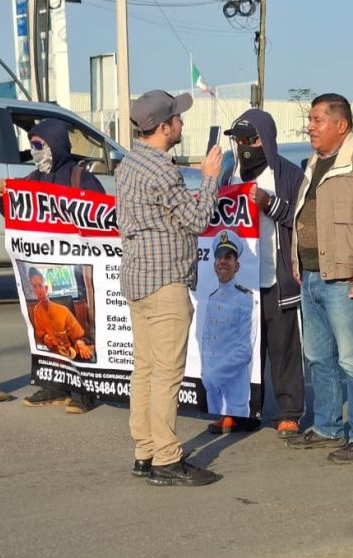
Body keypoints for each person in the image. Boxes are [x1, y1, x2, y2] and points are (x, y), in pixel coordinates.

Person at [116, 89, 222, 487]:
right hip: (164, 282)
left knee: (144, 368)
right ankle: (166, 457)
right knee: (165, 373)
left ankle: (145, 450)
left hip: (139, 277)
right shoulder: (161, 168)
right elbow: (197, 219)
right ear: (163, 127)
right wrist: (210, 180)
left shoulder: (129, 163)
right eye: (176, 118)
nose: (181, 123)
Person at [287, 93, 353, 463]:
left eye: (318, 120)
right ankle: (327, 427)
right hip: (312, 275)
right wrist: (296, 259)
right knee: (318, 357)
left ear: (341, 125)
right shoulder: (316, 161)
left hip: (345, 277)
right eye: (311, 119)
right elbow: (306, 214)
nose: (310, 127)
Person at [0, 118, 105, 414]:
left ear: (55, 144)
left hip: (77, 270)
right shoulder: (31, 180)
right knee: (48, 331)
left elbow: (102, 217)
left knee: (82, 330)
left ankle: (86, 389)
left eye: (39, 145)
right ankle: (56, 384)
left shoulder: (80, 178)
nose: (34, 151)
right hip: (44, 268)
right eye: (31, 145)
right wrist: (3, 196)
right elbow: (15, 214)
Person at [222, 109, 305, 439]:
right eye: (239, 139)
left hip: (275, 277)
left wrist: (269, 203)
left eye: (250, 139)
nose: (244, 146)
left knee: (283, 347)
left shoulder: (287, 174)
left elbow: (300, 221)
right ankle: (241, 410)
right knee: (241, 348)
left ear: (266, 140)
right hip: (241, 281)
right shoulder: (231, 173)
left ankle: (289, 411)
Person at [201, 230, 259, 428]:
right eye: (219, 257)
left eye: (228, 257)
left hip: (233, 387)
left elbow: (245, 350)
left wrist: (215, 375)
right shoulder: (211, 298)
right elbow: (207, 340)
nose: (222, 262)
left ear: (237, 265)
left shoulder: (246, 298)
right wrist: (206, 375)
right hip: (213, 390)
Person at [29, 267, 93, 361]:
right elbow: (41, 334)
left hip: (69, 353)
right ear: (32, 290)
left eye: (40, 286)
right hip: (52, 354)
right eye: (35, 287)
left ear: (46, 288)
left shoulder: (63, 310)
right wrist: (45, 338)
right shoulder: (36, 311)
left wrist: (80, 343)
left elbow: (78, 336)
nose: (38, 291)